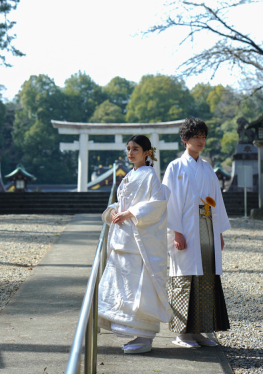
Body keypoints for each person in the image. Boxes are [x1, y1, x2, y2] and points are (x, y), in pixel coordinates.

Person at [98, 135, 173, 354]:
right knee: (124, 287)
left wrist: (130, 213)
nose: (131, 153)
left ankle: (145, 336)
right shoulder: (130, 175)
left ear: (147, 152)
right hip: (123, 238)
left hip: (139, 242)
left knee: (140, 287)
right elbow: (122, 202)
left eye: (136, 149)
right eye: (129, 149)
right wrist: (114, 211)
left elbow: (157, 204)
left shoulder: (150, 176)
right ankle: (130, 329)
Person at [163, 117, 230, 348]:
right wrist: (176, 231)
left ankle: (199, 331)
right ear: (185, 140)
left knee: (206, 279)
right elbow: (170, 201)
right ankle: (182, 333)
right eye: (196, 137)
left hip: (206, 227)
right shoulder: (175, 167)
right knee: (184, 278)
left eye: (203, 137)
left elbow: (215, 200)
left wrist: (218, 231)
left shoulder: (207, 167)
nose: (201, 141)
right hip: (184, 228)